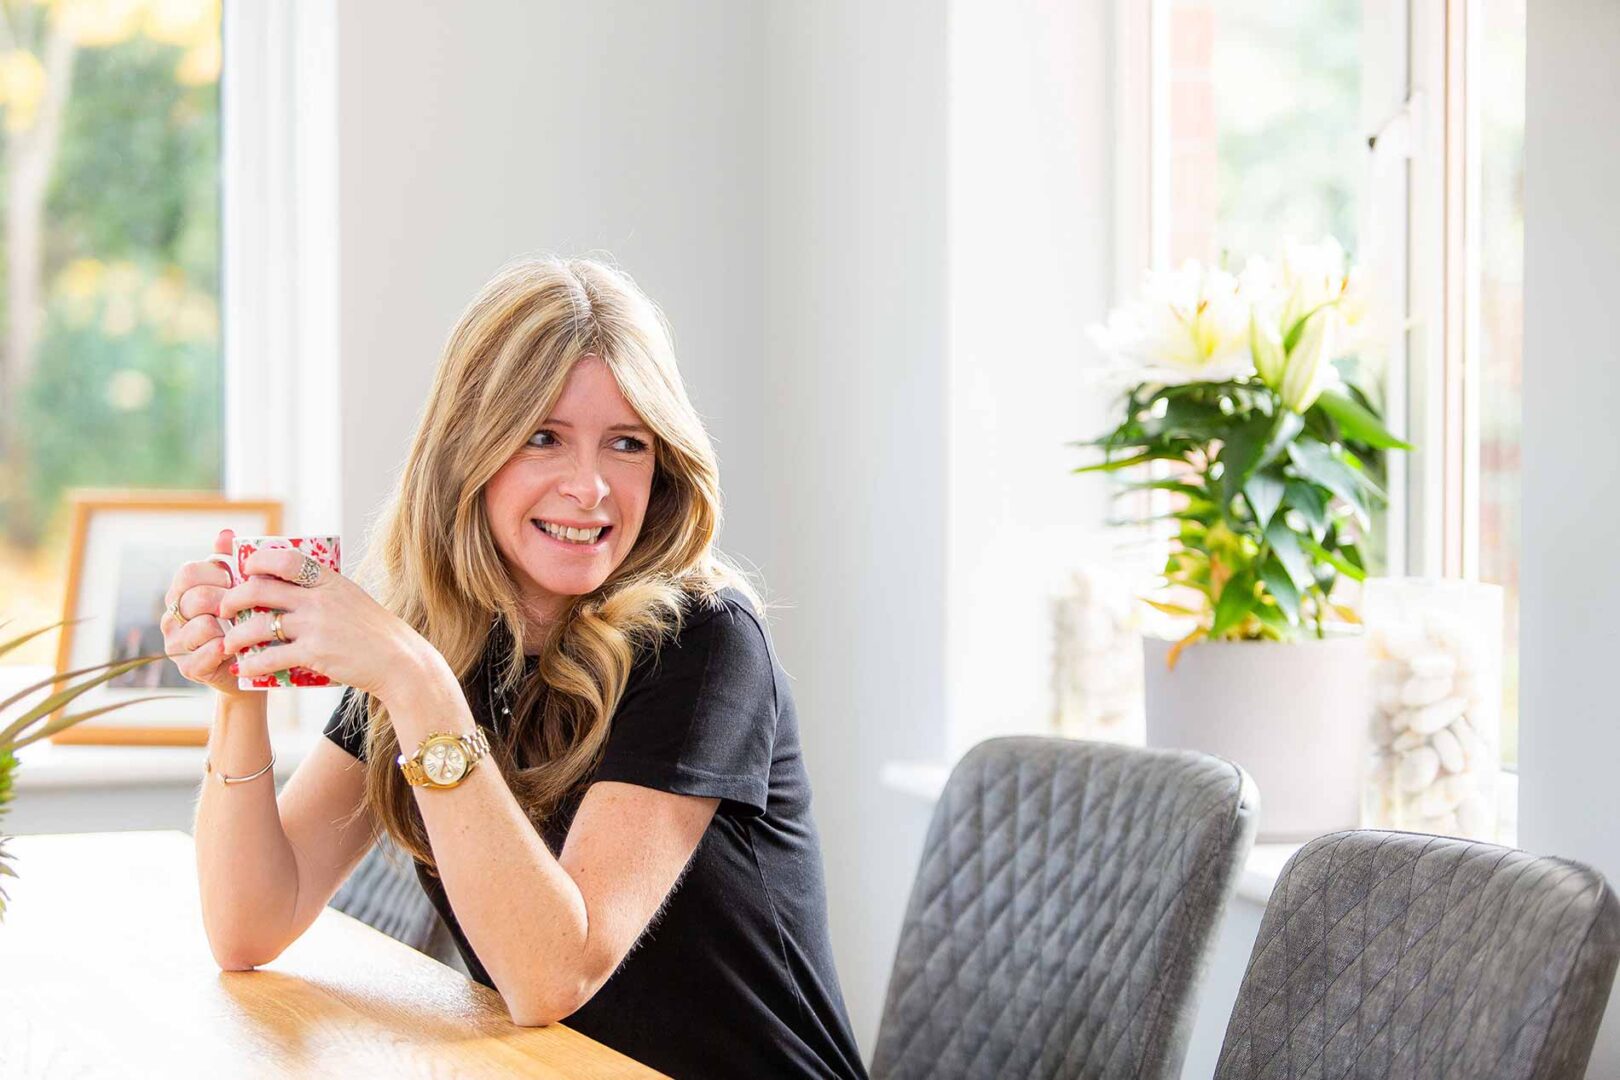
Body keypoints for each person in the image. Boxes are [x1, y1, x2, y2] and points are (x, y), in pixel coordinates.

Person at [162, 256, 867, 1080]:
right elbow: (249, 926)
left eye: (627, 443)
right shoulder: (434, 641)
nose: (589, 487)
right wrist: (240, 695)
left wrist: (415, 681)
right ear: (469, 450)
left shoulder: (706, 643)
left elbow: (553, 976)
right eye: (543, 437)